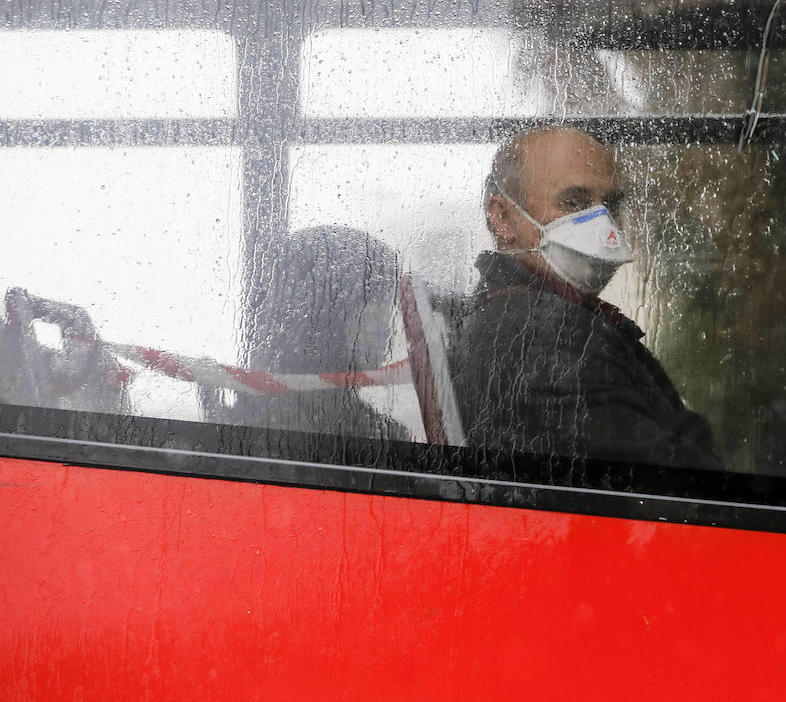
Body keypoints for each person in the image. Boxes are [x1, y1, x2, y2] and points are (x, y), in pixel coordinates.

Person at [446, 126, 722, 469]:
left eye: (611, 205)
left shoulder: (540, 318)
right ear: (503, 217)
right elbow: (676, 480)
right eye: (574, 202)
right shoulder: (545, 337)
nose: (604, 225)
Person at [211, 225, 409, 442]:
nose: (388, 330)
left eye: (387, 313)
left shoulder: (237, 427)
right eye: (374, 314)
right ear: (325, 321)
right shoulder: (378, 441)